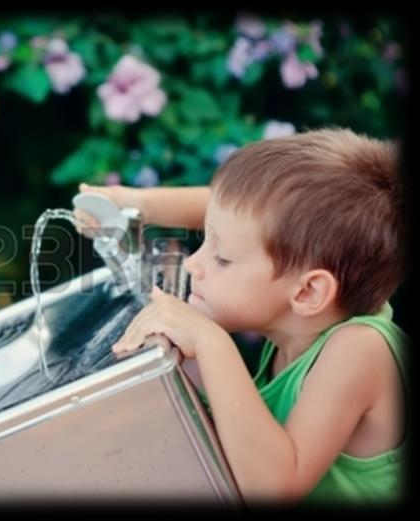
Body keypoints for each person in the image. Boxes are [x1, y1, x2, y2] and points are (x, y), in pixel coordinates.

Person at [74, 128, 408, 504]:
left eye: (222, 258)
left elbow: (275, 488)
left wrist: (212, 345)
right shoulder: (305, 323)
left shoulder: (360, 351)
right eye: (204, 238)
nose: (195, 264)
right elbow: (231, 216)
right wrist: (134, 204)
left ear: (307, 292)